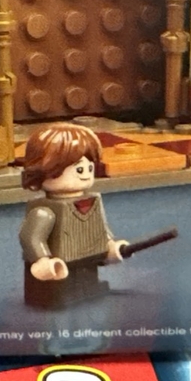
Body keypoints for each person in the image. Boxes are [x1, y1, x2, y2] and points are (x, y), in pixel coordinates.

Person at [19, 123, 127, 309]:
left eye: (89, 168)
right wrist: (42, 259)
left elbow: (99, 227)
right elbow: (31, 237)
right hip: (57, 269)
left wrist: (110, 245)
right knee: (61, 286)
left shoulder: (92, 201)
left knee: (87, 276)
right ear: (44, 170)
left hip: (87, 259)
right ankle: (59, 296)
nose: (85, 174)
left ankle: (88, 289)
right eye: (79, 169)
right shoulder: (45, 211)